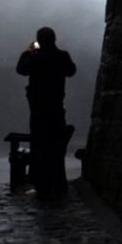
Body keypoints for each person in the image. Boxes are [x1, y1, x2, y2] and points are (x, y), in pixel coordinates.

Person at [17, 27, 76, 199]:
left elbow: (20, 69)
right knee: (56, 146)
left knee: (39, 145)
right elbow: (71, 71)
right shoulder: (62, 56)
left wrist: (28, 52)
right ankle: (58, 182)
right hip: (56, 106)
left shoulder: (34, 57)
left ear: (39, 40)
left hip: (38, 108)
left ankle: (42, 184)